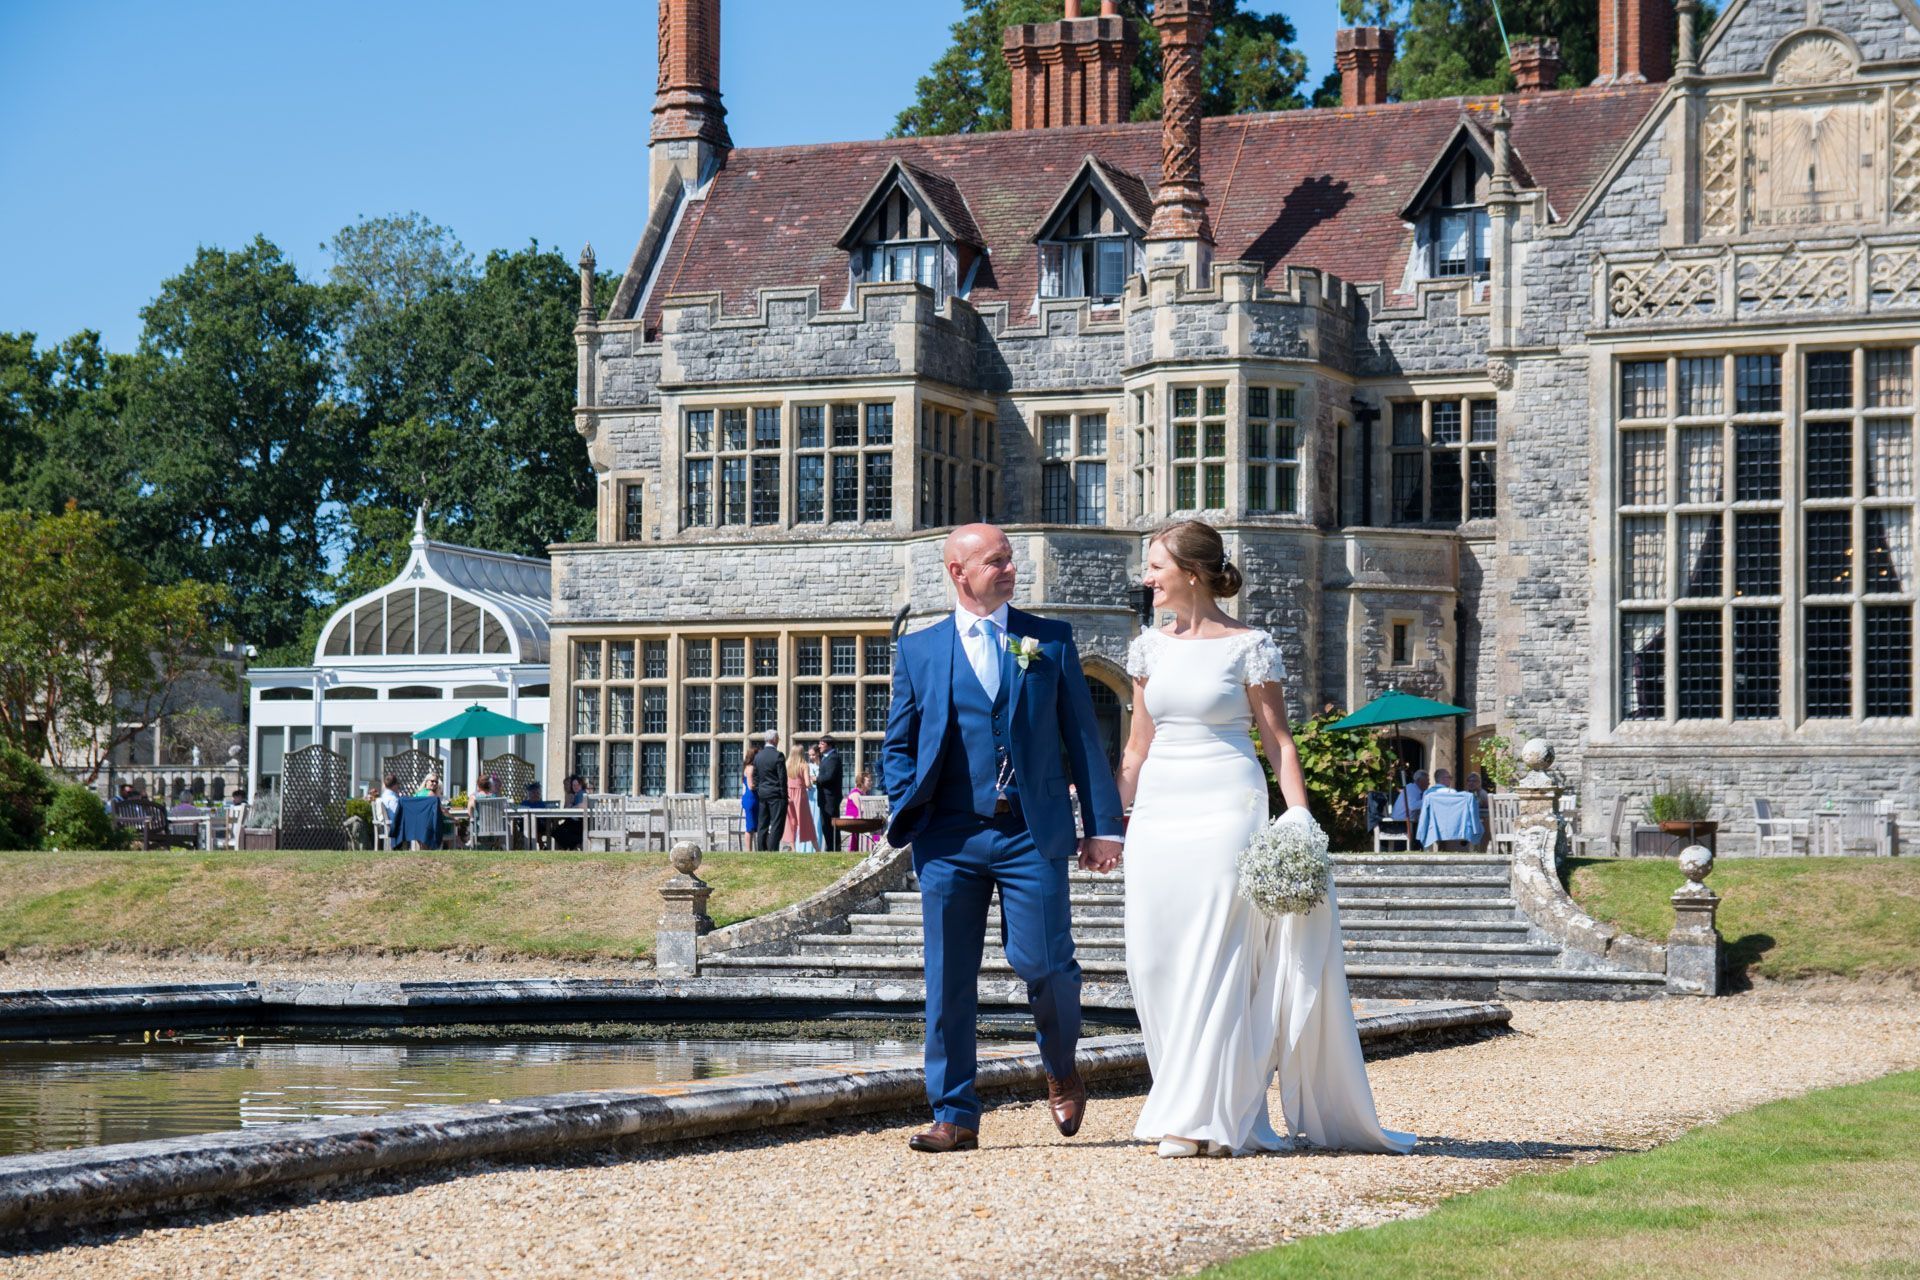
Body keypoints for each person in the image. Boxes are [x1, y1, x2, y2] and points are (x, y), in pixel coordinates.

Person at [1117, 518, 1414, 1159]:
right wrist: (1106, 826)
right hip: (1160, 815)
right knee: (1154, 957)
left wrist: (1300, 818)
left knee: (1218, 957)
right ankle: (1187, 1097)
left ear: (1191, 573)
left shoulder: (1249, 646)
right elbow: (1136, 748)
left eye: (1154, 566)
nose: (1146, 577)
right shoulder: (1147, 648)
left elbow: (1278, 743)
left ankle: (1202, 1118)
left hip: (1227, 808)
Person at [882, 522, 1124, 1154]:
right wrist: (906, 802)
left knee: (1045, 962)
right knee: (948, 977)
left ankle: (1061, 1062)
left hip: (1029, 832)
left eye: (1011, 559)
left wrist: (1102, 828)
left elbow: (1083, 741)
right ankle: (954, 1112)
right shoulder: (919, 651)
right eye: (996, 561)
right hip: (949, 839)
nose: (1009, 569)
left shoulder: (1050, 641)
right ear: (959, 572)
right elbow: (899, 745)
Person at [750, 731, 787, 851]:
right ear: (774, 739)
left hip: (763, 795)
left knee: (763, 824)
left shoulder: (758, 756)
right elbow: (782, 777)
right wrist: (784, 796)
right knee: (776, 824)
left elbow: (755, 776)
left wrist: (760, 789)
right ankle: (772, 850)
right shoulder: (778, 755)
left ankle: (761, 850)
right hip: (776, 794)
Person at [814, 735, 845, 852]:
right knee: (825, 825)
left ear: (829, 744)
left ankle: (834, 848)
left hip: (830, 798)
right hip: (824, 798)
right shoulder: (825, 757)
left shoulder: (833, 758)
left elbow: (829, 777)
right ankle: (830, 847)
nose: (819, 746)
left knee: (831, 825)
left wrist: (816, 779)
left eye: (821, 744)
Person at [785, 746, 818, 852]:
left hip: (788, 794)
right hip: (800, 795)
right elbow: (808, 783)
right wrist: (811, 787)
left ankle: (793, 848)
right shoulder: (804, 765)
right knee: (807, 822)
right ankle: (816, 848)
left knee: (791, 822)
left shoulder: (787, 764)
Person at [551, 774, 586, 851]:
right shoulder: (572, 795)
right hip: (575, 822)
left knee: (556, 832)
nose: (565, 787)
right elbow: (565, 812)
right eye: (564, 785)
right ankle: (572, 847)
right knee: (557, 831)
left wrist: (571, 806)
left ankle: (574, 846)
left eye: (567, 784)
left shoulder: (577, 794)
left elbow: (582, 806)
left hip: (578, 824)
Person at [739, 743, 760, 843]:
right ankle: (749, 850)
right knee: (750, 827)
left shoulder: (746, 767)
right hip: (752, 798)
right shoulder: (751, 768)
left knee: (752, 826)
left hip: (750, 798)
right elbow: (751, 786)